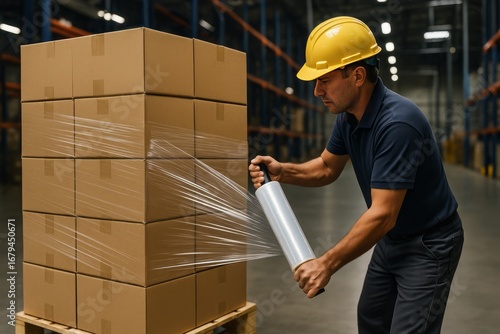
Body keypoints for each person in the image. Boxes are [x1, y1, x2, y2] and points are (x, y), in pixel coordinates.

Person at [248, 16, 464, 333]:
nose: (317, 90)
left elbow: (382, 214)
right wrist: (283, 171)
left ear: (358, 75)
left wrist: (325, 263)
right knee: (372, 320)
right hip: (392, 240)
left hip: (429, 244)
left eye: (324, 80)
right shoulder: (349, 116)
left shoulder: (398, 124)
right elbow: (326, 167)